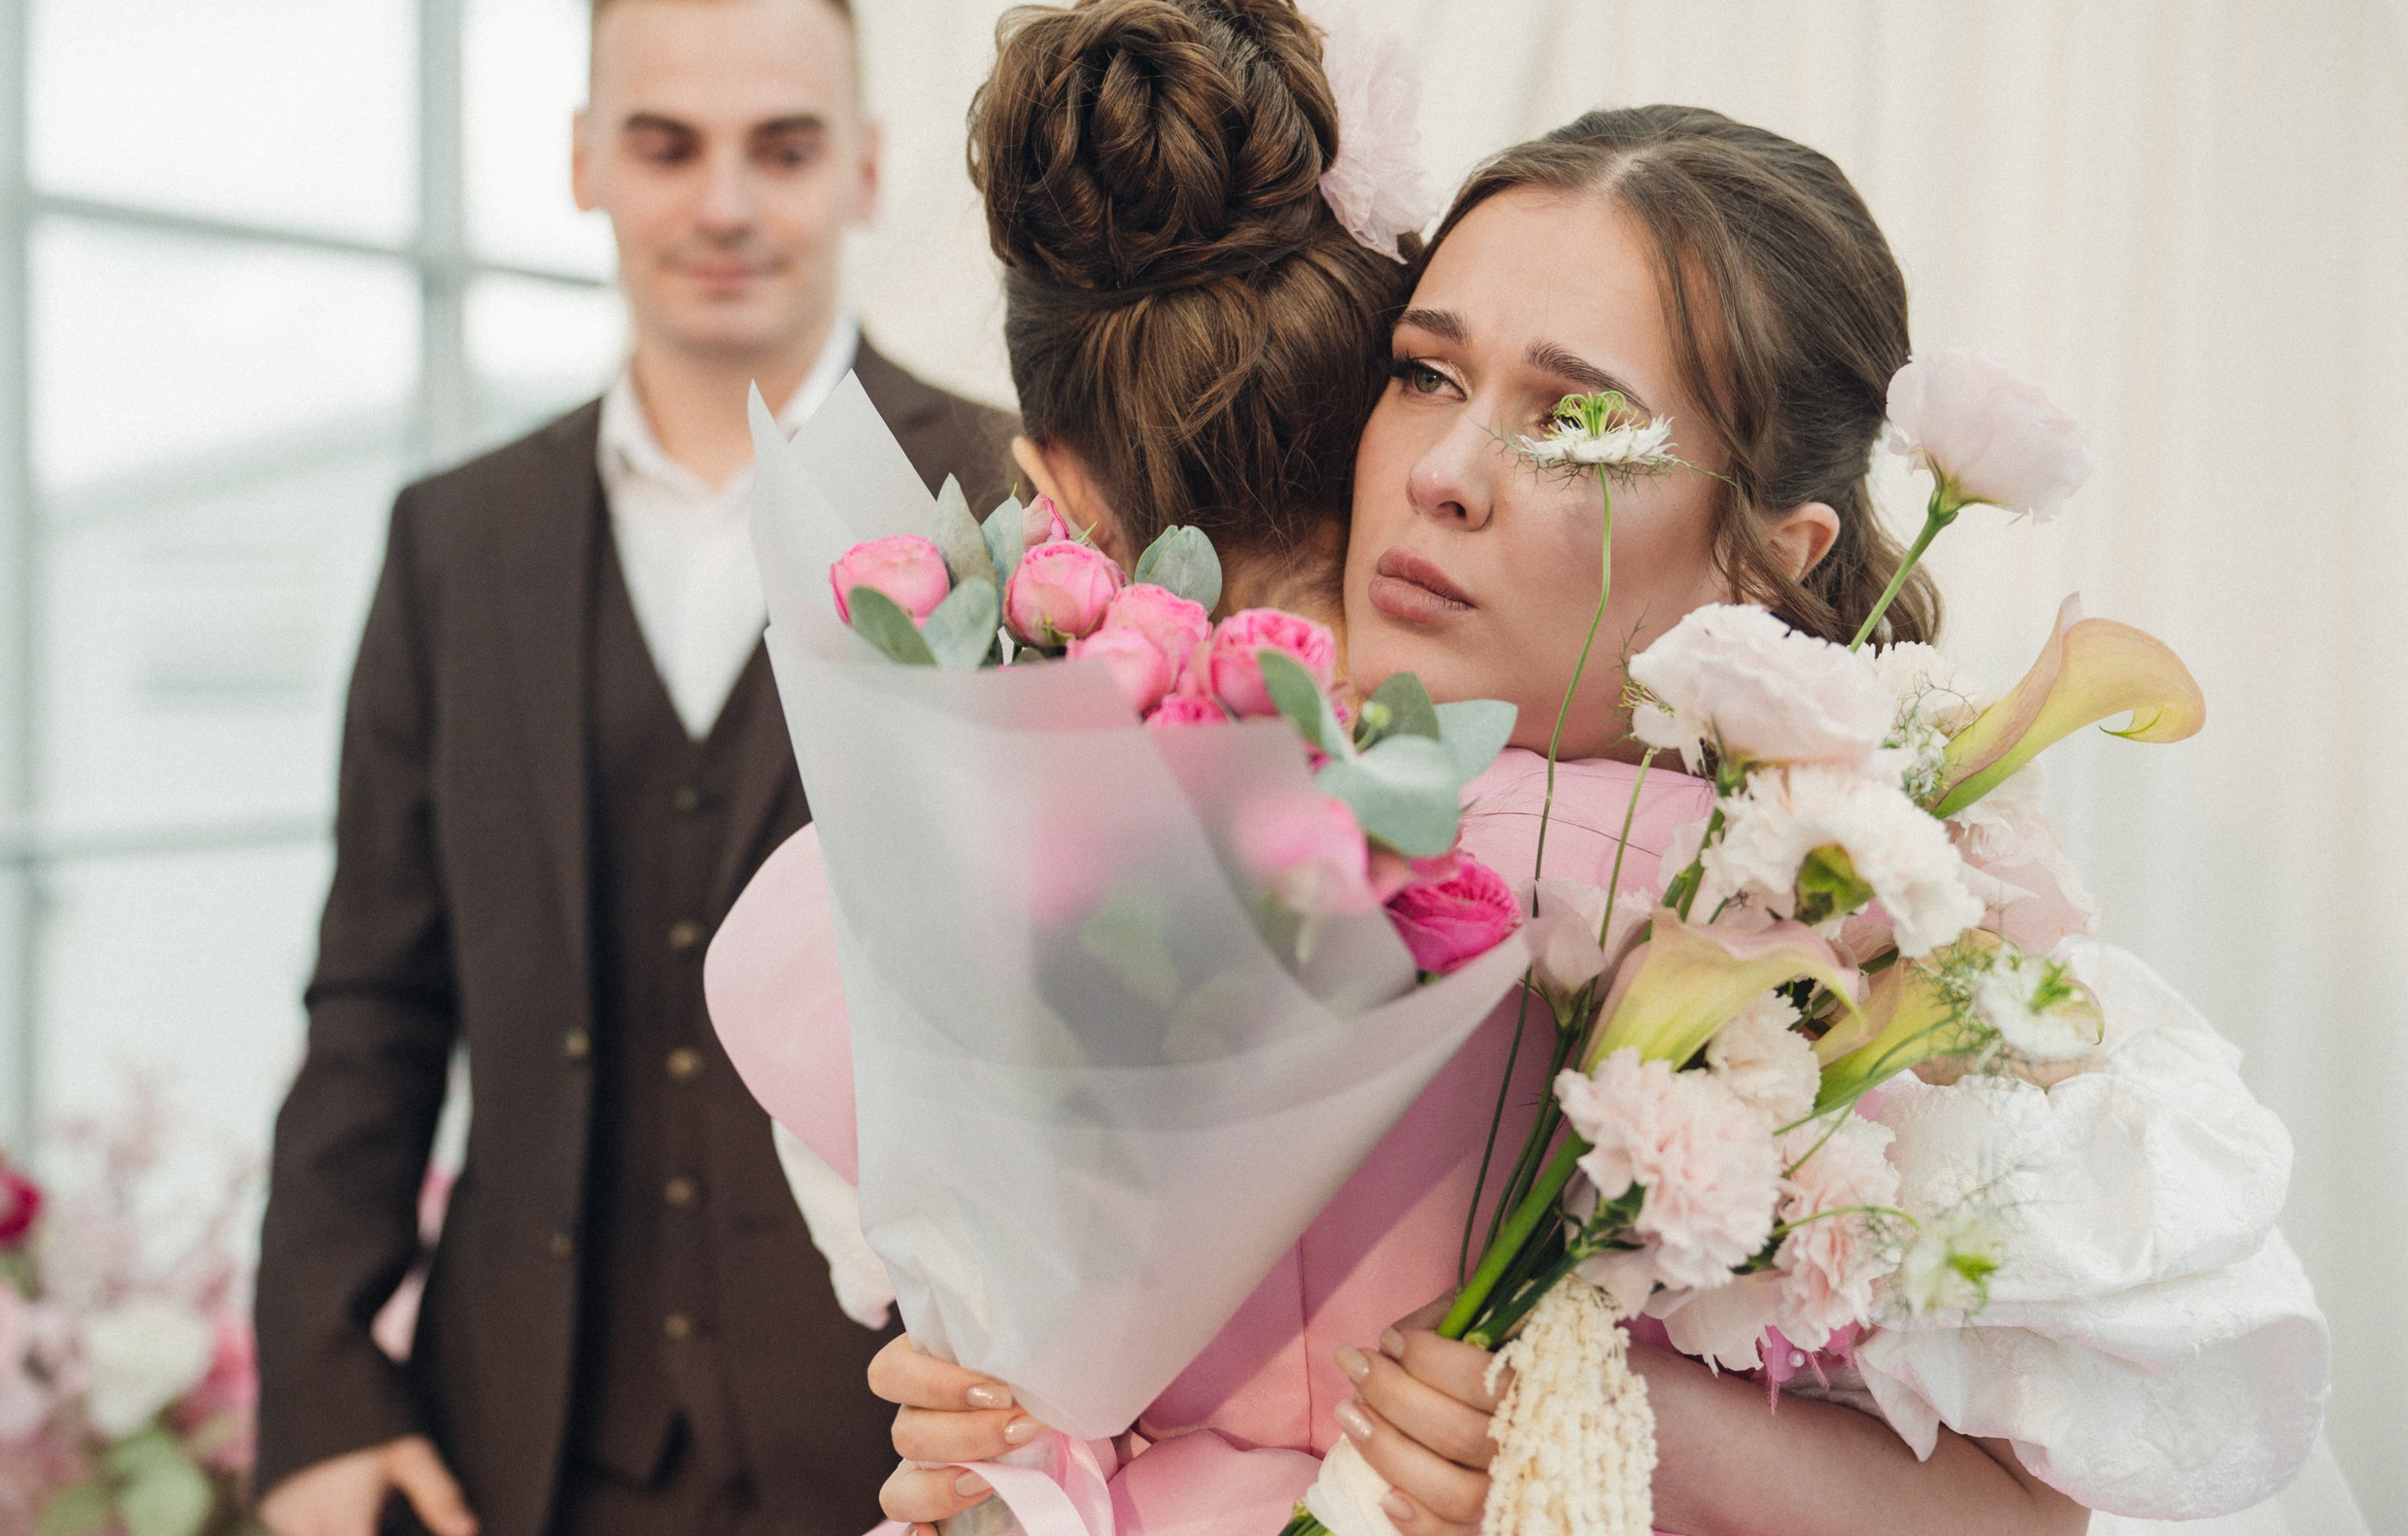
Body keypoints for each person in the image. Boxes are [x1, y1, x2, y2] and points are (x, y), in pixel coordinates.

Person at [745, 93, 2324, 1535]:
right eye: (1425, 373)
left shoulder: (1880, 952)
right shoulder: (1165, 830)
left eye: (1574, 423)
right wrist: (1016, 1432)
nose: (1441, 470)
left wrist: (1596, 1427)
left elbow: (2031, 1524)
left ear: (1769, 550)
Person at [252, 0, 1017, 1536]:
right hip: (524, 1448)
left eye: (783, 148)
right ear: (586, 162)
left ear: (867, 170)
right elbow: (374, 1002)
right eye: (667, 146)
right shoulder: (453, 543)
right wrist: (321, 1393)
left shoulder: (1016, 508)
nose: (725, 204)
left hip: (918, 1449)